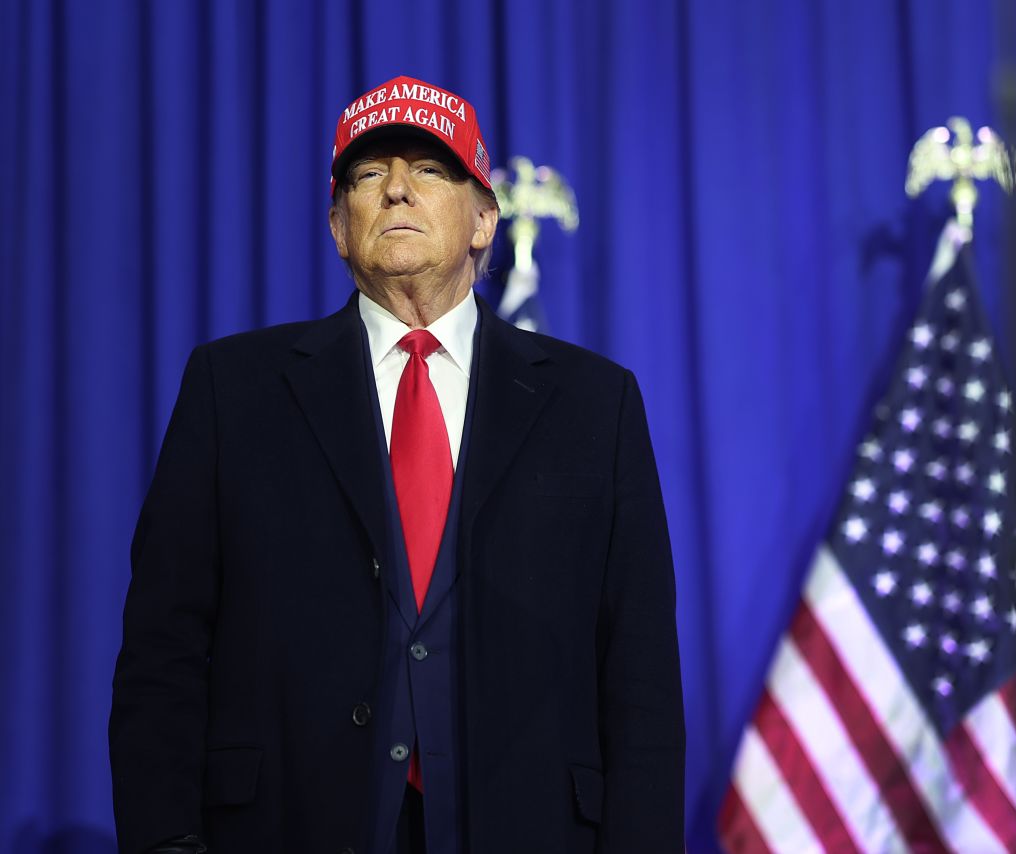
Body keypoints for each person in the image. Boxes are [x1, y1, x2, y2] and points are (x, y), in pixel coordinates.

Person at [109, 75, 685, 854]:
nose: (398, 192)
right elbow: (162, 653)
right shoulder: (232, 390)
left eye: (430, 170)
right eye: (369, 175)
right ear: (339, 227)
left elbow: (640, 680)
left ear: (484, 219)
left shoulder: (596, 404)